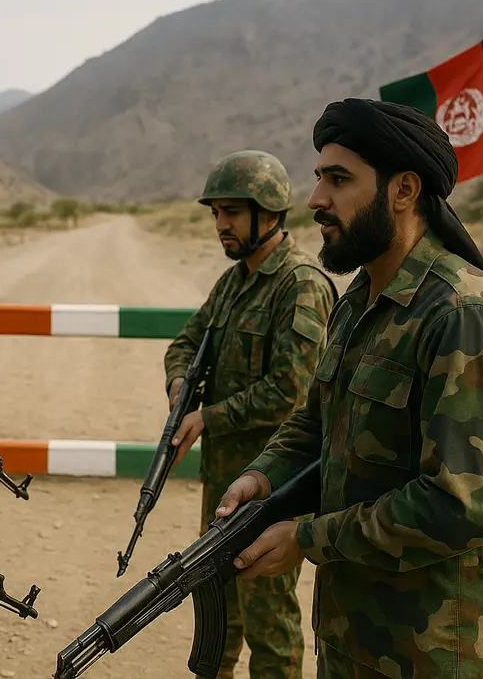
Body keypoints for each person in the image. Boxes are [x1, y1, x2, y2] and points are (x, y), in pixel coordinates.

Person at [214, 98, 483, 679]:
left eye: (339, 180)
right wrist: (260, 475)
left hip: (430, 651)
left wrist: (309, 537)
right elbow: (314, 426)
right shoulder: (359, 302)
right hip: (349, 638)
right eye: (318, 178)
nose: (316, 200)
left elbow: (462, 504)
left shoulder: (464, 315)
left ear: (404, 191)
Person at [162, 150, 338, 679]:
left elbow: (292, 389)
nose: (221, 225)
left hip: (272, 485)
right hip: (225, 479)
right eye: (215, 213)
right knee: (216, 600)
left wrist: (210, 416)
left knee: (268, 618)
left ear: (270, 214)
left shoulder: (300, 284)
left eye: (232, 212)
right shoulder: (236, 281)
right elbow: (185, 342)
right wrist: (179, 384)